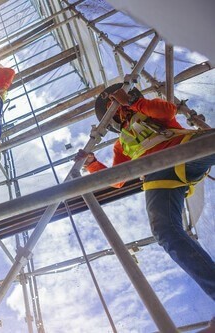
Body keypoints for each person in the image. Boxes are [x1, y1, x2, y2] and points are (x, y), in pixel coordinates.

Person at [76, 83, 215, 300]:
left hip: (185, 148)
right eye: (115, 106)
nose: (121, 109)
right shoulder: (120, 145)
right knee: (165, 231)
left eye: (119, 103)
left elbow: (168, 110)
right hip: (158, 177)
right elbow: (119, 179)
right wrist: (92, 164)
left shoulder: (147, 109)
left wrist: (133, 103)